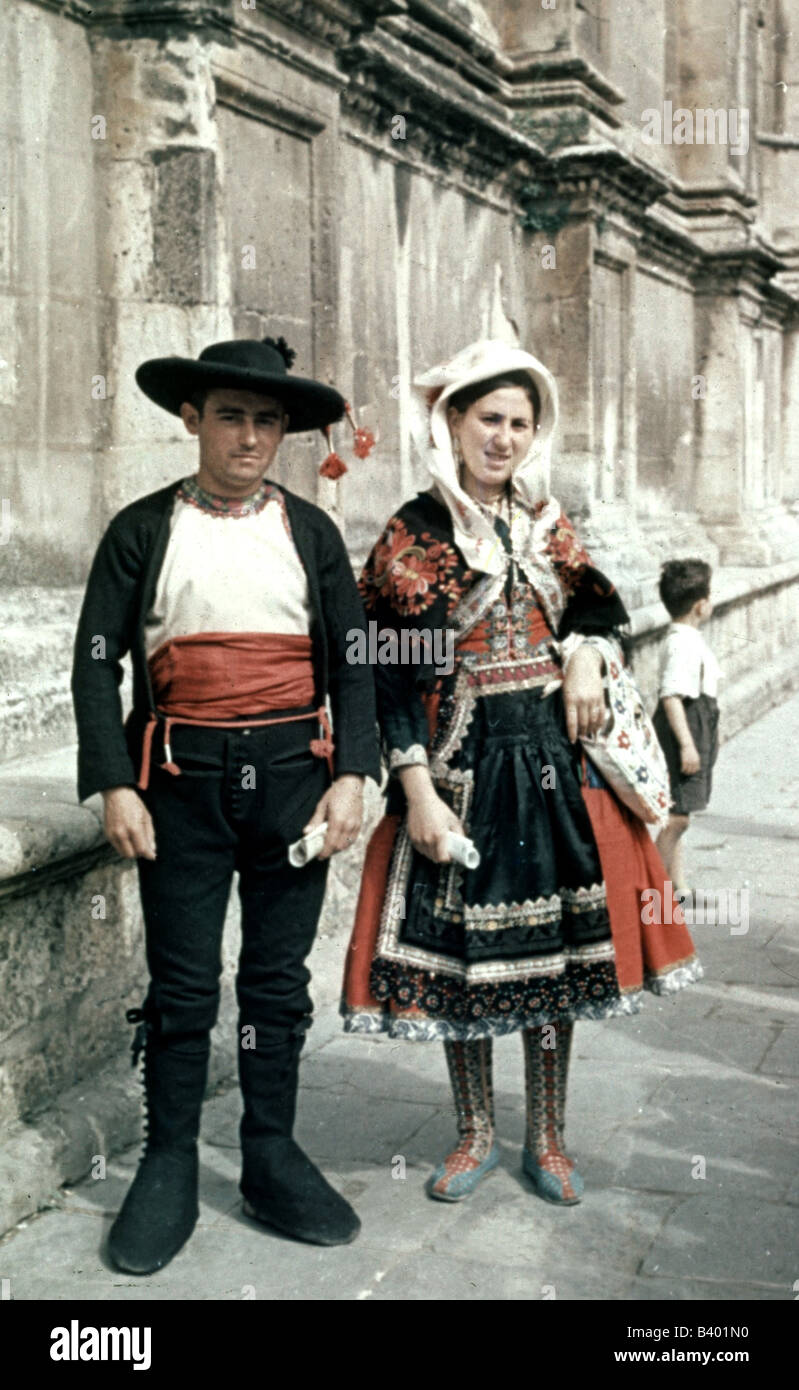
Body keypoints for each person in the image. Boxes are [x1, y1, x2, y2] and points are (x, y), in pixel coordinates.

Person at [341, 339, 701, 1205]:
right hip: (460, 763)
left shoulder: (548, 523)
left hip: (551, 763)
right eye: (486, 420)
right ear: (453, 424)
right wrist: (415, 790)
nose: (501, 438)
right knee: (465, 962)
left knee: (554, 960)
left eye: (517, 423)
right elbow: (385, 675)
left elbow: (594, 608)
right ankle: (473, 1133)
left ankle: (548, 1136)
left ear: (532, 434)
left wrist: (581, 652)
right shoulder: (413, 534)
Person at [72, 335, 380, 1273]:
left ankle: (269, 1153)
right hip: (181, 789)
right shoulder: (142, 528)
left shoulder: (311, 534)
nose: (249, 437)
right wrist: (114, 781)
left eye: (267, 421)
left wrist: (352, 773)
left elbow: (354, 661)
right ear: (191, 419)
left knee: (276, 984)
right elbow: (95, 663)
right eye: (231, 416)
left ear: (284, 432)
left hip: (292, 782)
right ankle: (166, 1161)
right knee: (181, 985)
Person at [653, 559, 721, 897]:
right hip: (685, 728)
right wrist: (687, 745)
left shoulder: (686, 637)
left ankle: (675, 884)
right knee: (677, 818)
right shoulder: (682, 643)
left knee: (676, 811)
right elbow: (671, 696)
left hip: (697, 722)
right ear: (700, 604)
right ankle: (650, 887)